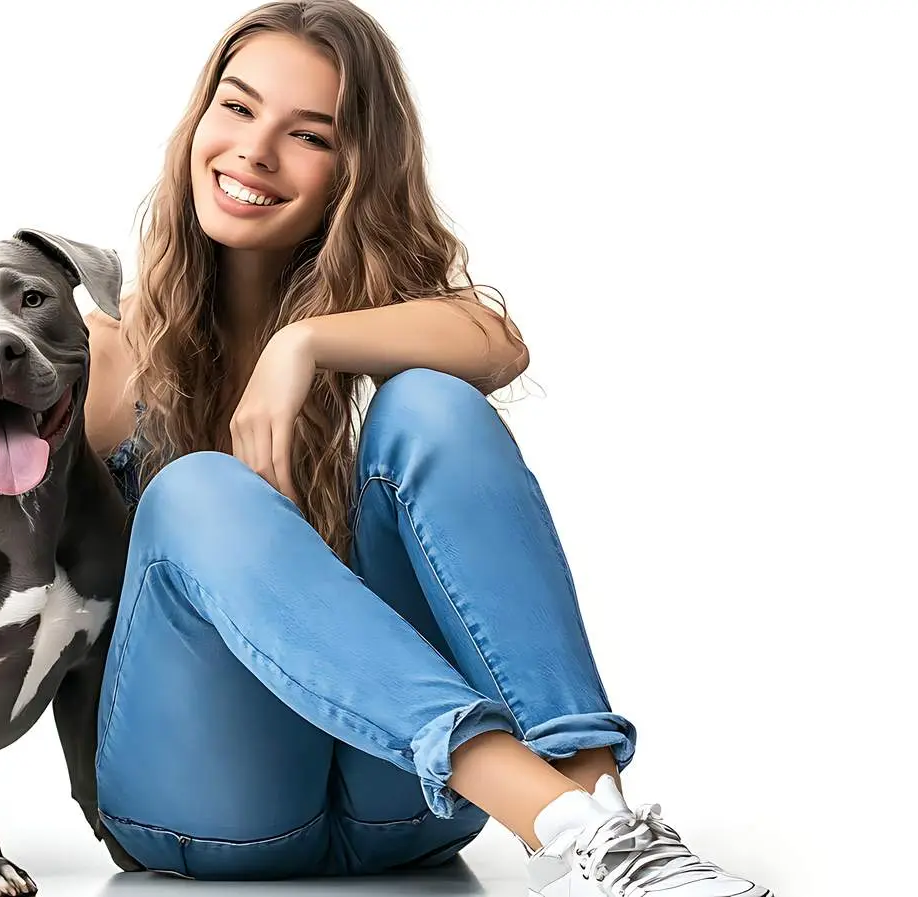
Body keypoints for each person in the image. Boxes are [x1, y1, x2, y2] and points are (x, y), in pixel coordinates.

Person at [82, 2, 773, 895]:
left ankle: (607, 826)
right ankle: (563, 817)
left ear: (353, 173)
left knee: (434, 402)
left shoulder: (376, 325)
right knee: (196, 490)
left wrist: (307, 344)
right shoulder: (105, 356)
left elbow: (499, 343)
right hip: (207, 807)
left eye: (310, 135)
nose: (255, 152)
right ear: (199, 119)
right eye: (238, 107)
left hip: (405, 812)